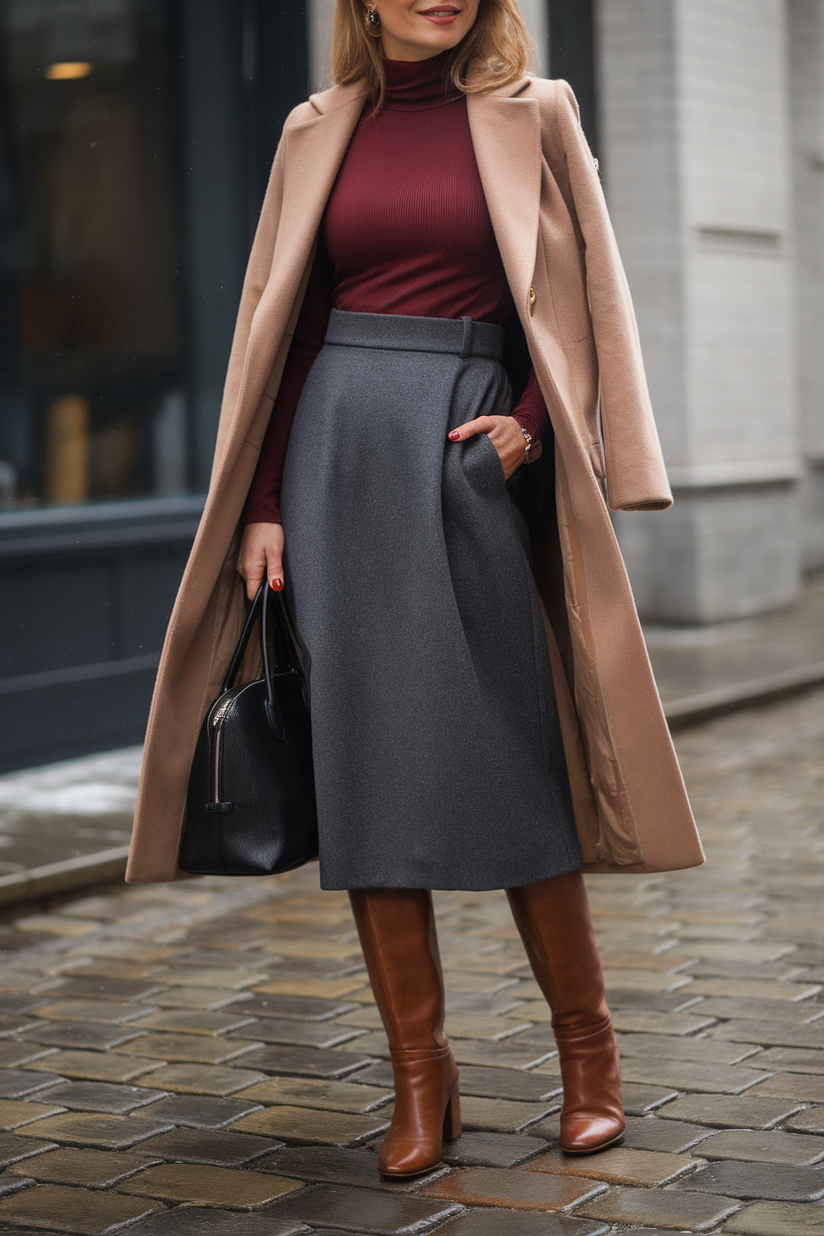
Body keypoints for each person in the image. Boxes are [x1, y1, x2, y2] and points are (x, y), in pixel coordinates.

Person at [126, 0, 705, 1180]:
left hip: (466, 457)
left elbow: (587, 296)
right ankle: (417, 1081)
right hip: (337, 457)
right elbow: (281, 333)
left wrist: (530, 435)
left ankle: (586, 1061)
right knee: (366, 769)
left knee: (510, 758)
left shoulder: (534, 113)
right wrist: (269, 500)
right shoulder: (314, 127)